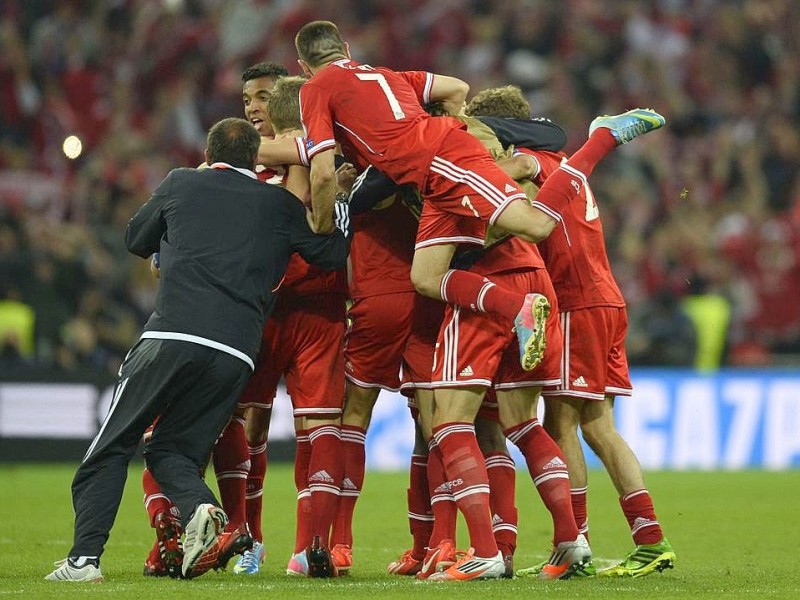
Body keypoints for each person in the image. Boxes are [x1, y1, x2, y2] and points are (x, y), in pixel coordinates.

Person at [294, 19, 664, 581]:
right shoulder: (393, 80)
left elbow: (321, 166)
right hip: (443, 192)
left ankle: (603, 138)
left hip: (449, 178)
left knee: (452, 417)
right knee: (439, 297)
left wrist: (325, 216)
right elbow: (454, 89)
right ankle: (570, 543)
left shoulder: (326, 91)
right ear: (347, 49)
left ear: (306, 65)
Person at [45, 117, 350, 583]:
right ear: (257, 158)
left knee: (109, 449)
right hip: (236, 355)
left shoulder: (182, 183)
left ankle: (84, 560)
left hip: (172, 336)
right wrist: (343, 209)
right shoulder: (279, 204)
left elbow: (135, 239)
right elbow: (328, 254)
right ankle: (204, 510)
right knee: (173, 454)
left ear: (209, 156)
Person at [463, 85, 676, 578]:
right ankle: (649, 538)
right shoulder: (562, 163)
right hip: (605, 298)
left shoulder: (531, 162)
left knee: (561, 424)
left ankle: (573, 541)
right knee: (598, 425)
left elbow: (498, 181)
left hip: (573, 303)